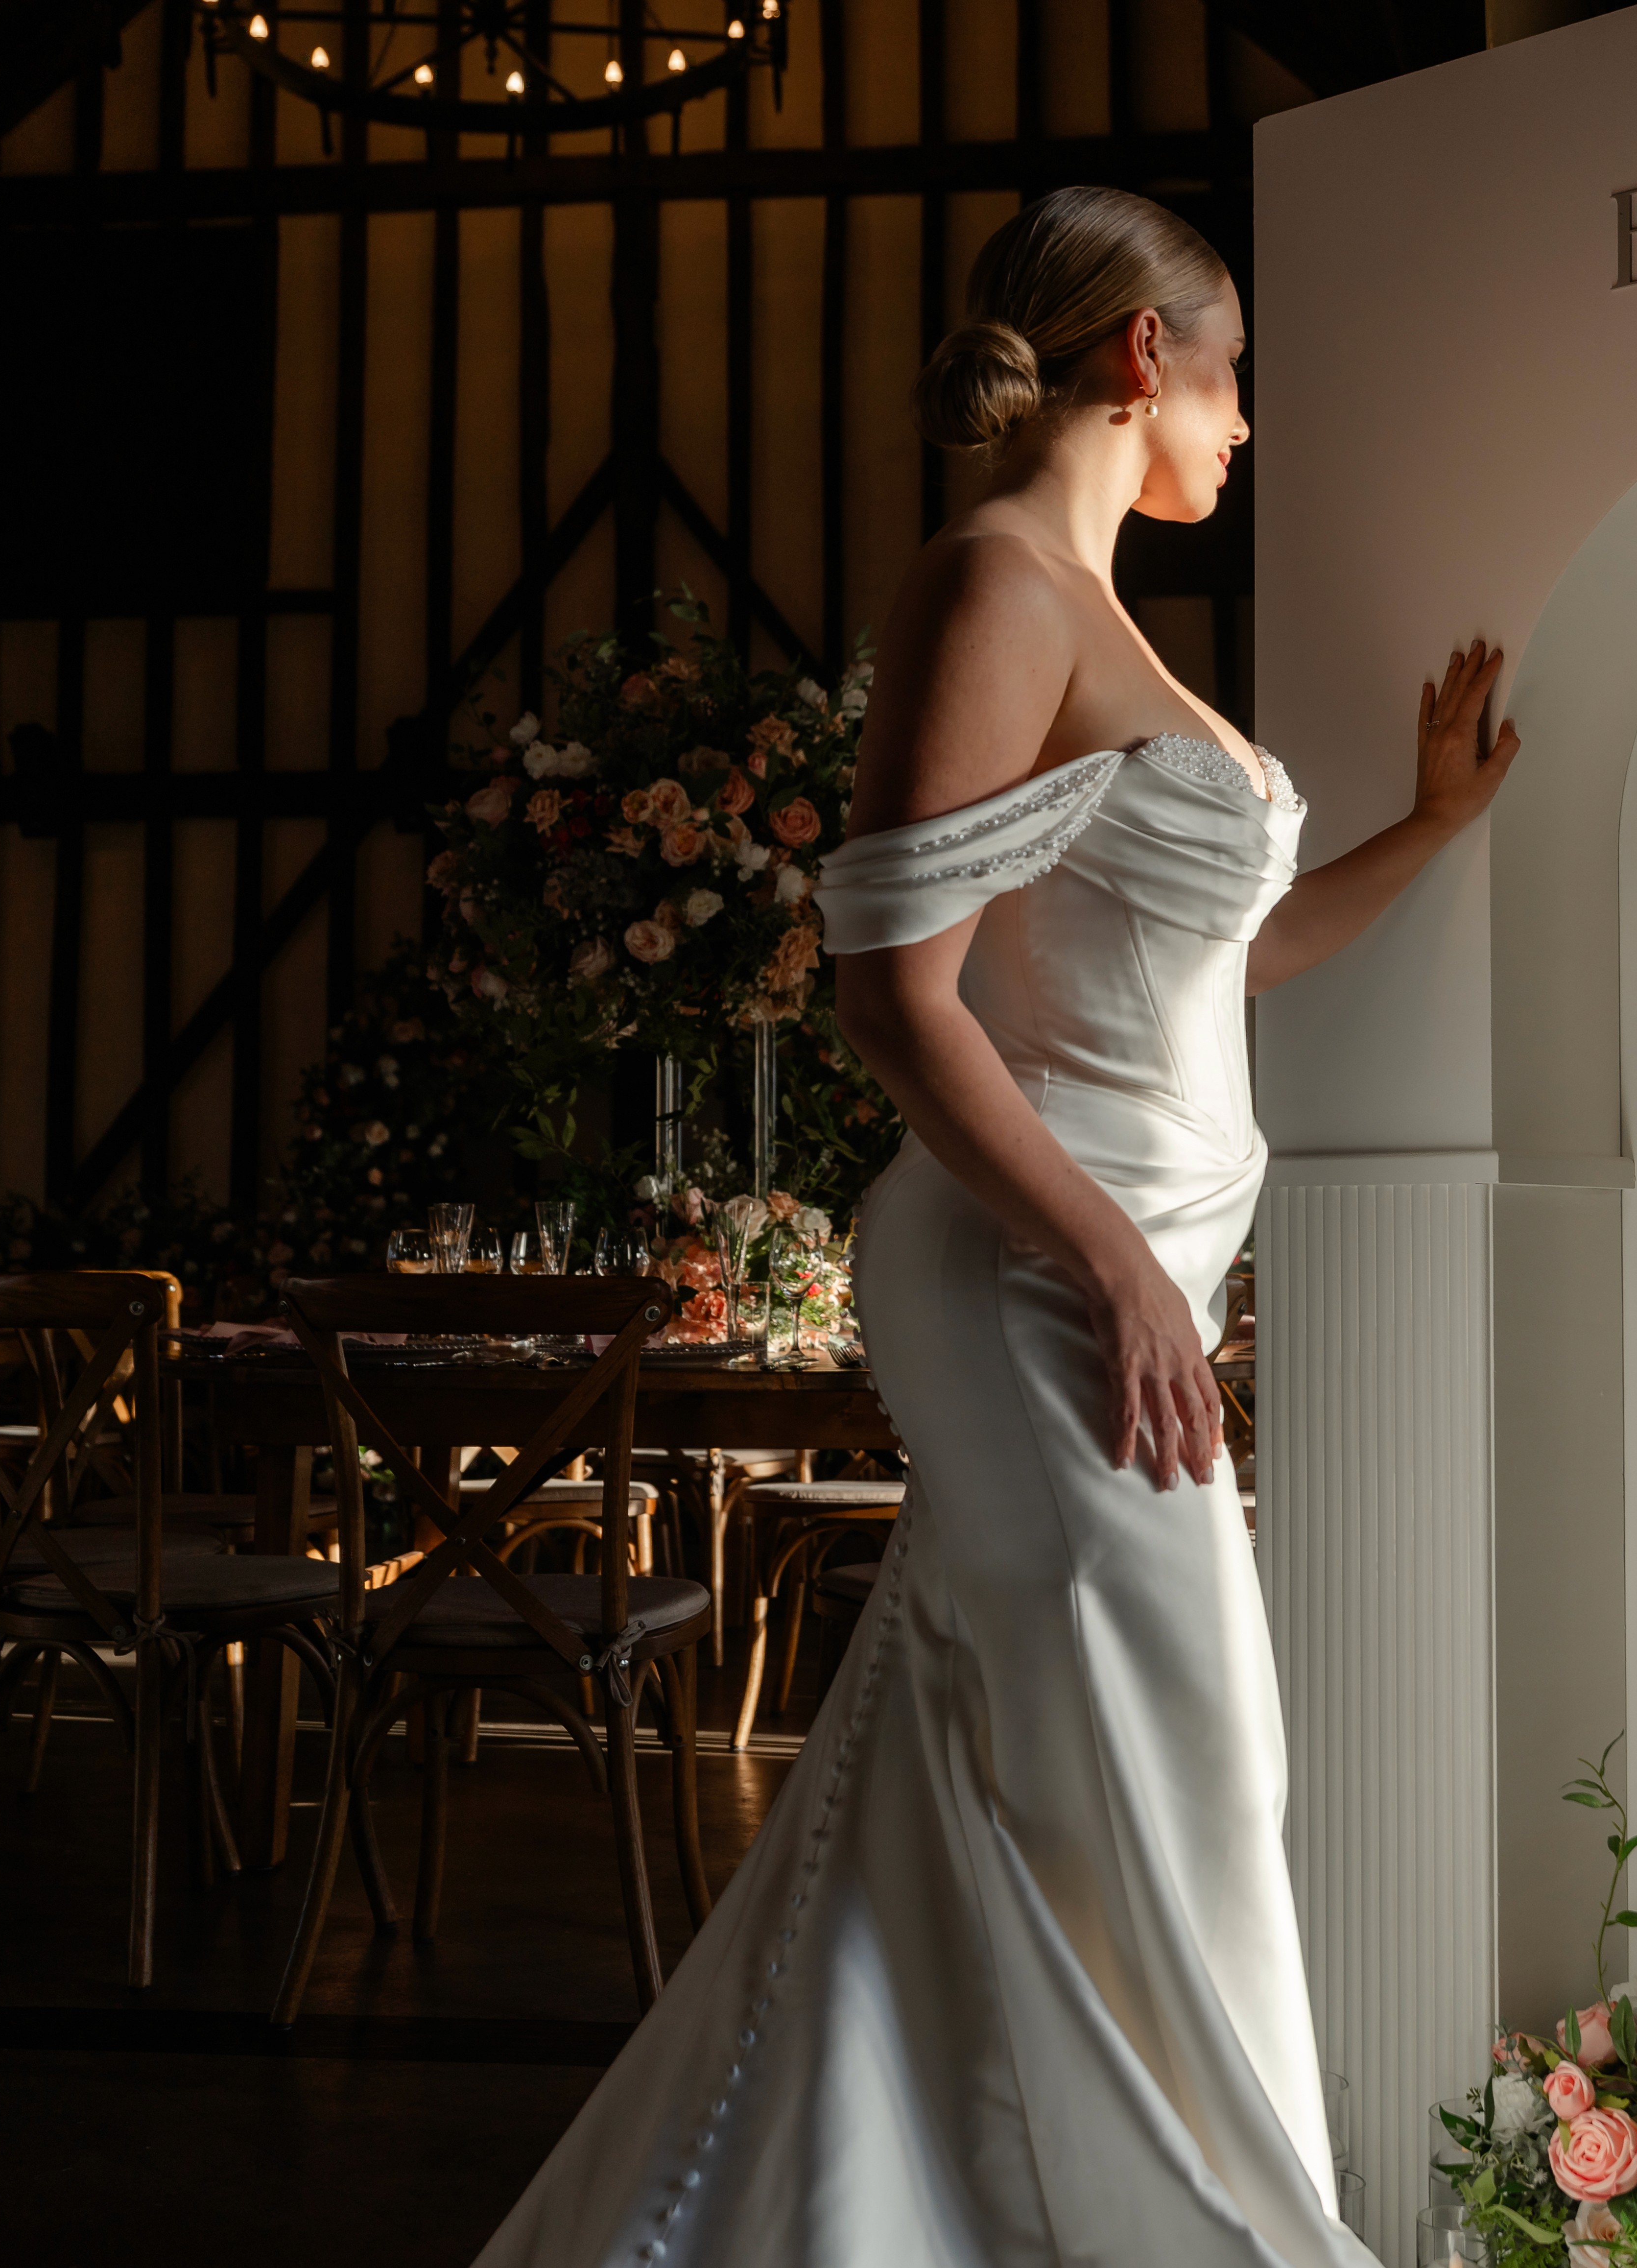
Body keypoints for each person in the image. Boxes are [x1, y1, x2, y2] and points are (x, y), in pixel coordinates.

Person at [474, 186, 1516, 2268]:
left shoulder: (1094, 608)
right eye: (1234, 383)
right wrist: (1122, 1264)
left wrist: (1431, 827)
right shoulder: (996, 583)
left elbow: (1223, 966)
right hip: (1038, 1281)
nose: (1244, 432)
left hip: (1109, 1274)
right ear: (1148, 356)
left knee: (1052, 1777)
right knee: (1182, 1778)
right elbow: (889, 992)